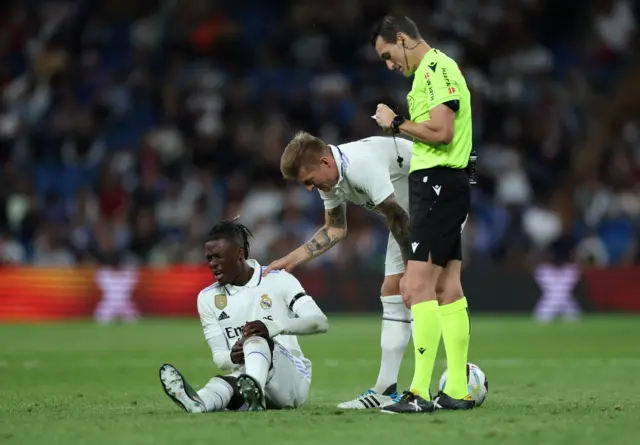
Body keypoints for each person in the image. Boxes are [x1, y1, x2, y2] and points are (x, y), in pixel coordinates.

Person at [370, 15, 475, 413]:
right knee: (447, 287)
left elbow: (442, 131)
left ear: (401, 39)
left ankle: (419, 392)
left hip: (437, 186)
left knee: (413, 288)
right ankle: (459, 390)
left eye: (388, 54)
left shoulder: (436, 68)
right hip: (445, 185)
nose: (389, 64)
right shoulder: (434, 73)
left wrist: (395, 123)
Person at [266, 131, 413, 409]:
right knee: (393, 290)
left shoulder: (360, 165)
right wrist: (290, 260)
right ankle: (386, 389)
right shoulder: (331, 179)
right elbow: (335, 228)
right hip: (408, 216)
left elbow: (396, 215)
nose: (310, 189)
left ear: (324, 162)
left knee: (425, 289)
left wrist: (414, 271)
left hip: (438, 202)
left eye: (309, 182)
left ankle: (445, 383)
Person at [159, 219, 329, 412]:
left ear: (240, 253)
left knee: (255, 339)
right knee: (223, 384)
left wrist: (273, 328)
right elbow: (219, 358)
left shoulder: (278, 280)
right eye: (209, 258)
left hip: (291, 382)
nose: (213, 264)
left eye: (219, 257)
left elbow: (320, 323)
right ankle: (199, 403)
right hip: (244, 378)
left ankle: (254, 390)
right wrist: (232, 356)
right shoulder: (207, 298)